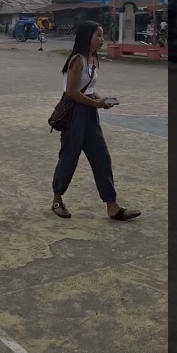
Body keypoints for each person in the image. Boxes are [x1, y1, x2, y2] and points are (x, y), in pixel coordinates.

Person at [50, 21, 140, 222]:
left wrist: (101, 100)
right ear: (87, 36)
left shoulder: (93, 59)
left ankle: (112, 206)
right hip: (74, 113)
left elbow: (87, 89)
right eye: (98, 35)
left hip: (90, 114)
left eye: (102, 35)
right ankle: (57, 200)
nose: (102, 39)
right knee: (69, 157)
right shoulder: (77, 60)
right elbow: (71, 92)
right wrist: (96, 104)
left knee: (102, 158)